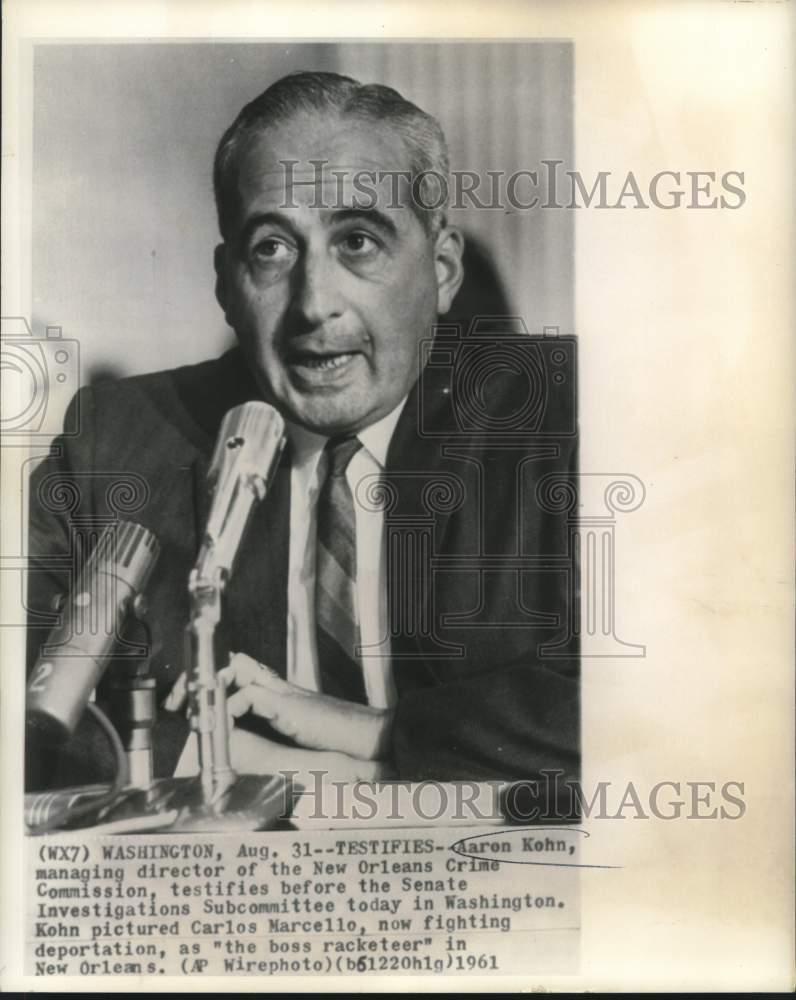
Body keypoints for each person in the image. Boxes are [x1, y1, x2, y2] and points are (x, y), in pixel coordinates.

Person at [25, 71, 579, 793]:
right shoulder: (115, 444)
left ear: (441, 270)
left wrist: (371, 733)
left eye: (357, 242)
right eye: (272, 249)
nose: (315, 304)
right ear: (227, 283)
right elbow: (26, 702)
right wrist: (274, 770)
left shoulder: (561, 418)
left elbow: (671, 701)